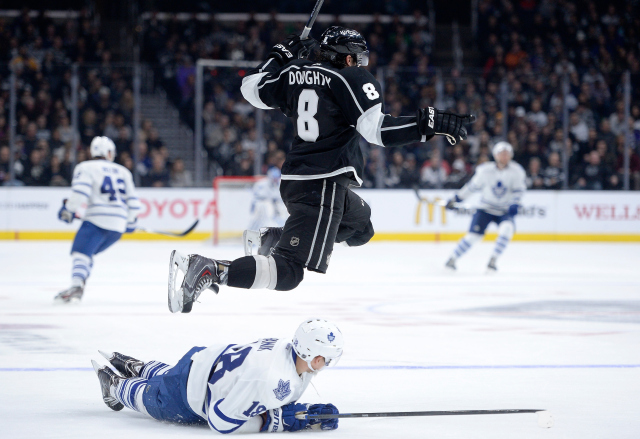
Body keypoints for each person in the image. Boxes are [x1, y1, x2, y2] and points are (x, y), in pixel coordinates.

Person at [168, 26, 475, 313]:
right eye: (358, 56)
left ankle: (274, 237)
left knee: (361, 226)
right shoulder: (350, 78)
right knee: (288, 273)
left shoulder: (293, 72)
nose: (361, 63)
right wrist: (429, 124)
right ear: (347, 55)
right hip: (323, 183)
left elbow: (250, 89)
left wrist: (279, 57)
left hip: (299, 180)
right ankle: (211, 269)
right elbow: (377, 130)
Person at [91, 318, 343, 434]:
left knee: (167, 376)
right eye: (328, 358)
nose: (327, 364)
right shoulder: (269, 380)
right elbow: (220, 421)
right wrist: (274, 422)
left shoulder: (286, 346)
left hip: (201, 362)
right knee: (151, 396)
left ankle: (131, 364)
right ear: (315, 358)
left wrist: (302, 411)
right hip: (188, 396)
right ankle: (112, 386)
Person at [55, 136, 140, 302]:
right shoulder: (123, 171)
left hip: (97, 220)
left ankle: (76, 285)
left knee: (81, 251)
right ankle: (79, 283)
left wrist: (69, 210)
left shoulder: (85, 167)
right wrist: (130, 222)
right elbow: (134, 203)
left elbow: (80, 193)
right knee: (88, 254)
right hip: (117, 227)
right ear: (109, 153)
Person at [444, 141, 526, 272]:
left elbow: (519, 191)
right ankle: (452, 258)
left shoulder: (517, 171)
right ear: (495, 155)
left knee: (507, 230)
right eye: (501, 153)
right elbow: (471, 187)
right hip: (485, 209)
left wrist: (515, 203)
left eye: (507, 154)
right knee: (473, 236)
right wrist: (456, 198)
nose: (504, 156)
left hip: (504, 210)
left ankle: (493, 260)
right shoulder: (485, 170)